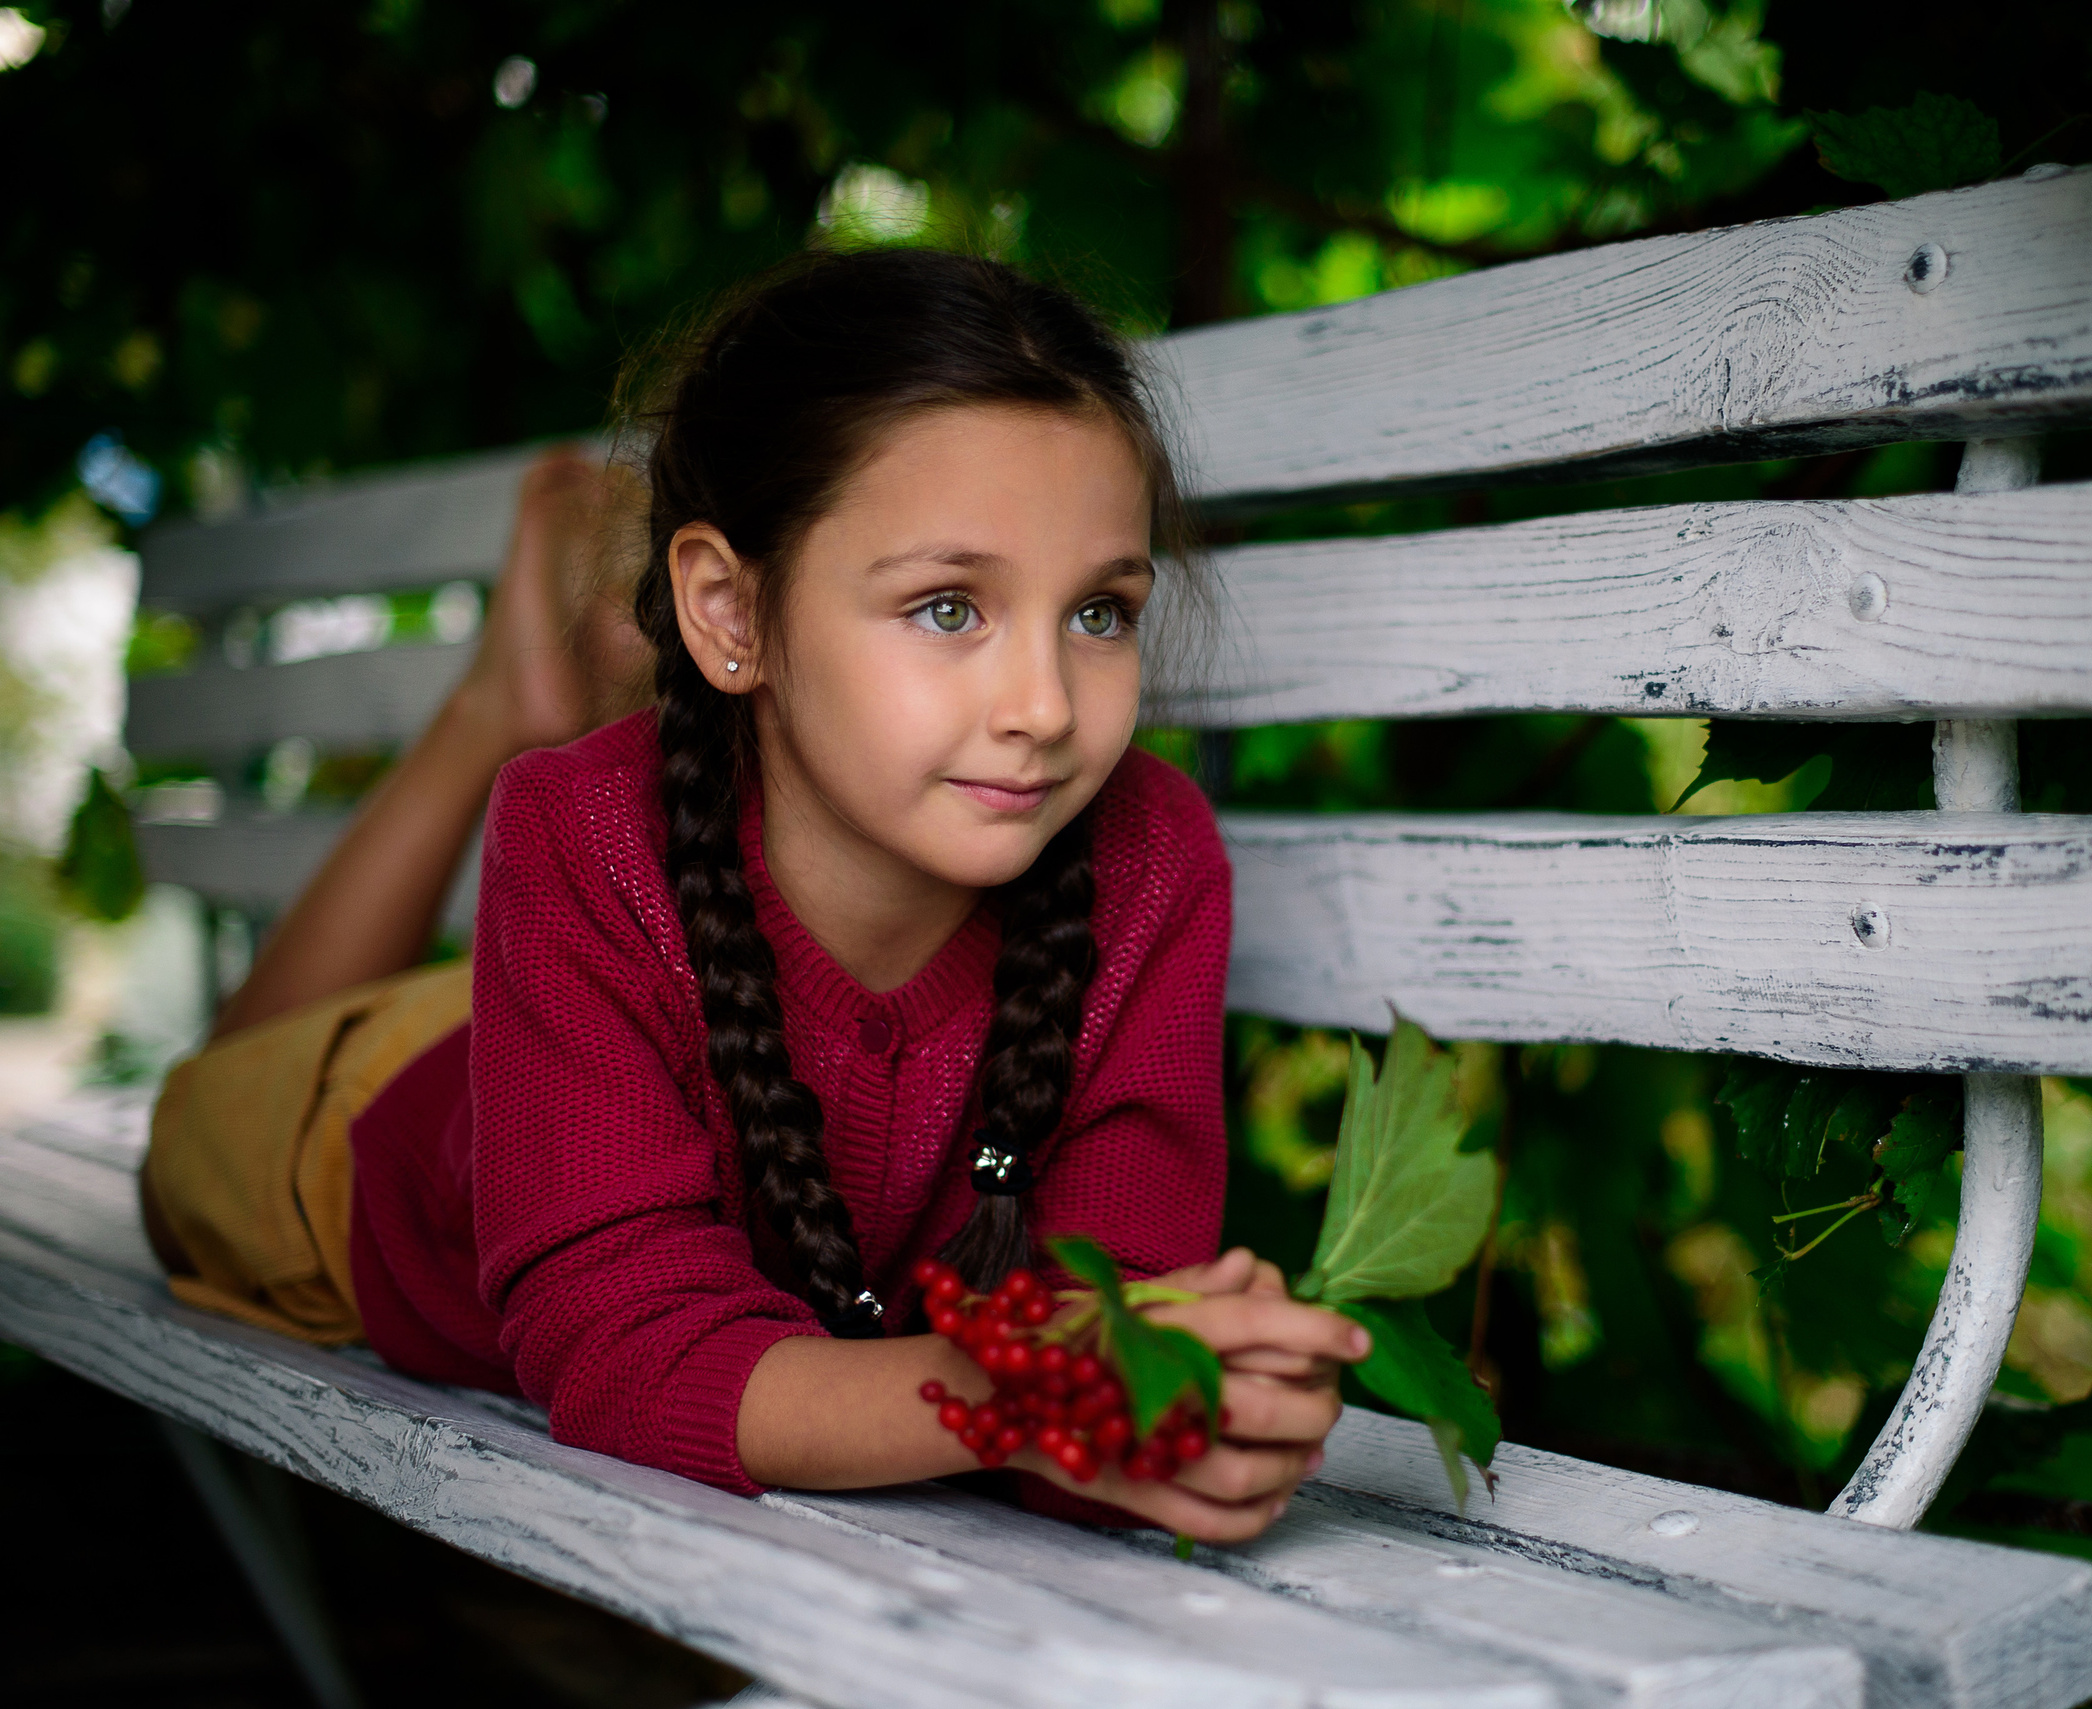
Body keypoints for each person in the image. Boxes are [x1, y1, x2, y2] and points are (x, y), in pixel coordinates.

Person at [139, 248, 1364, 1544]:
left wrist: (1162, 1407)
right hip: (387, 1141)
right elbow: (629, 1347)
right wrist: (1030, 1403)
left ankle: (620, 709)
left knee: (638, 945)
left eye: (1101, 614)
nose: (1047, 708)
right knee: (191, 1148)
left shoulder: (1151, 866)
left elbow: (1098, 1316)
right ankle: (500, 704)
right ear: (727, 607)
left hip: (661, 1017)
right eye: (951, 606)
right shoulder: (575, 837)